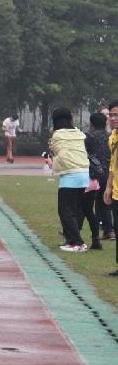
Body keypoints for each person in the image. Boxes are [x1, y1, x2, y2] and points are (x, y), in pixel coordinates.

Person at [49, 107, 97, 252]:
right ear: (70, 119)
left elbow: (55, 151)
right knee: (74, 210)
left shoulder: (57, 135)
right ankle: (71, 241)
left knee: (66, 211)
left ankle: (77, 243)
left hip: (70, 176)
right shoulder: (79, 133)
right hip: (84, 174)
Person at [85, 112, 115, 241]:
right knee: (105, 202)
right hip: (109, 172)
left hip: (94, 173)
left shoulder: (88, 136)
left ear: (91, 123)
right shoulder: (110, 136)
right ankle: (109, 230)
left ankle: (96, 231)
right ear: (105, 122)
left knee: (89, 203)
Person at [103, 100, 118, 276]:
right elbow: (113, 165)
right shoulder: (112, 138)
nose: (113, 118)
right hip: (116, 193)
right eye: (111, 115)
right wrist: (108, 187)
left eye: (116, 115)